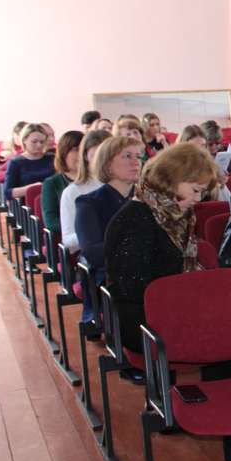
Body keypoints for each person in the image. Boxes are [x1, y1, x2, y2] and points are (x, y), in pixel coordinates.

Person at [104, 144, 231, 461]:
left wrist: (199, 298)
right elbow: (135, 287)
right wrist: (192, 301)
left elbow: (186, 271)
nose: (199, 199)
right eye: (196, 189)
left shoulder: (176, 211)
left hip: (174, 304)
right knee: (220, 332)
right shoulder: (135, 218)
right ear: (173, 180)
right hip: (136, 314)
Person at [75, 135, 144, 329]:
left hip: (148, 271)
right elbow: (92, 252)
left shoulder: (148, 200)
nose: (135, 162)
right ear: (107, 164)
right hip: (111, 277)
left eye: (138, 156)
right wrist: (139, 249)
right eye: (126, 156)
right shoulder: (88, 203)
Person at [60, 129, 112, 257]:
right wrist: (95, 232)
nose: (102, 162)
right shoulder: (73, 191)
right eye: (96, 156)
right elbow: (68, 241)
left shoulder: (128, 185)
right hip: (94, 254)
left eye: (108, 156)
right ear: (85, 157)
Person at [40, 130, 84, 240]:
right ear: (64, 153)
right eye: (75, 149)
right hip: (71, 238)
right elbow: (51, 221)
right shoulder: (51, 183)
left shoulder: (96, 180)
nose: (81, 154)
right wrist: (84, 229)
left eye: (84, 150)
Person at [5, 124, 54, 200]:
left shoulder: (52, 158)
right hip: (28, 206)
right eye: (34, 141)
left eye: (42, 142)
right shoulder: (15, 162)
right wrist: (33, 188)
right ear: (24, 140)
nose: (39, 145)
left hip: (53, 199)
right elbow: (8, 192)